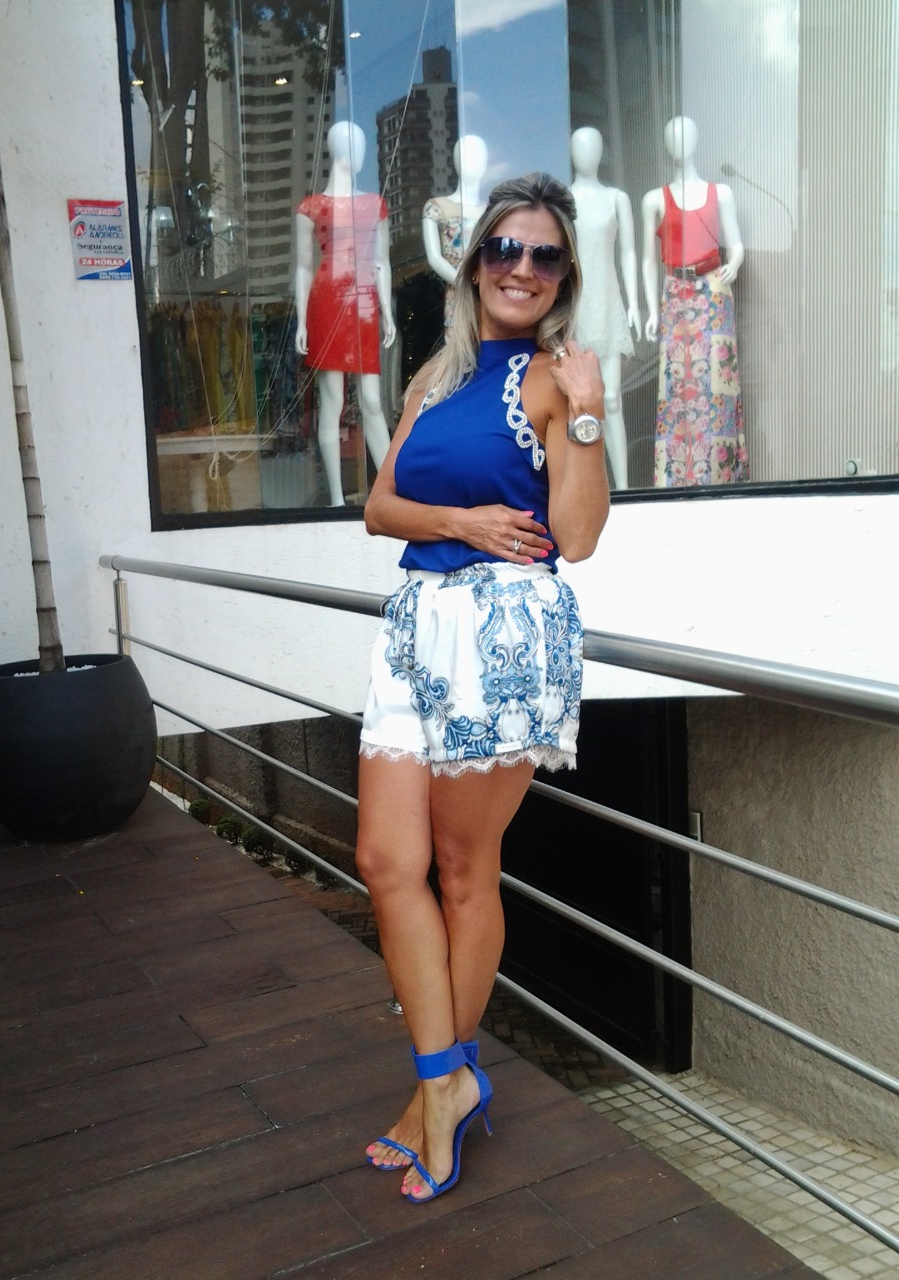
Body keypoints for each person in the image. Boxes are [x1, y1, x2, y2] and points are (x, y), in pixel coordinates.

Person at [356, 172, 610, 1202]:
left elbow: (577, 537)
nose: (522, 268)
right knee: (386, 860)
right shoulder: (434, 375)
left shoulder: (555, 379)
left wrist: (589, 415)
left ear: (563, 277)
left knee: (464, 869)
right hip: (415, 628)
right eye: (505, 248)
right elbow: (379, 507)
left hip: (505, 637)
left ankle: (439, 1091)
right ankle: (447, 1081)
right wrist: (458, 523)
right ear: (474, 265)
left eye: (545, 255)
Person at [641, 116, 747, 486]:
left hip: (714, 291)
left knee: (716, 387)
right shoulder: (654, 199)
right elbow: (647, 261)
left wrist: (734, 263)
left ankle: (721, 481)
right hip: (675, 293)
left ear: (697, 140)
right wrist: (651, 310)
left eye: (685, 136)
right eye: (671, 137)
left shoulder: (722, 193)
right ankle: (675, 483)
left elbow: (736, 245)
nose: (679, 143)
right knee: (676, 390)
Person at [295, 120, 396, 505]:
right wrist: (301, 320)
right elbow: (303, 267)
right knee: (332, 400)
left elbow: (382, 261)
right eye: (354, 145)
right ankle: (337, 500)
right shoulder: (310, 208)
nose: (361, 153)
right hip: (327, 301)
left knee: (371, 399)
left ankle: (388, 493)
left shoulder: (375, 204)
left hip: (365, 304)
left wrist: (386, 311)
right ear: (337, 149)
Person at [569, 126, 641, 489]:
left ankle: (624, 486)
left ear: (602, 152)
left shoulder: (617, 199)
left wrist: (635, 302)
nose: (587, 153)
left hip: (608, 301)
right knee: (578, 401)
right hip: (574, 307)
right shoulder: (563, 202)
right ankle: (588, 487)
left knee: (612, 398)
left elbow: (628, 253)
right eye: (580, 147)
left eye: (593, 147)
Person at [422, 135, 488, 325]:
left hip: (491, 295)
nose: (474, 162)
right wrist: (466, 285)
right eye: (468, 156)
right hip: (459, 296)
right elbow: (435, 258)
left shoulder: (492, 210)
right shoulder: (437, 207)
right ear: (456, 161)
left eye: (479, 157)